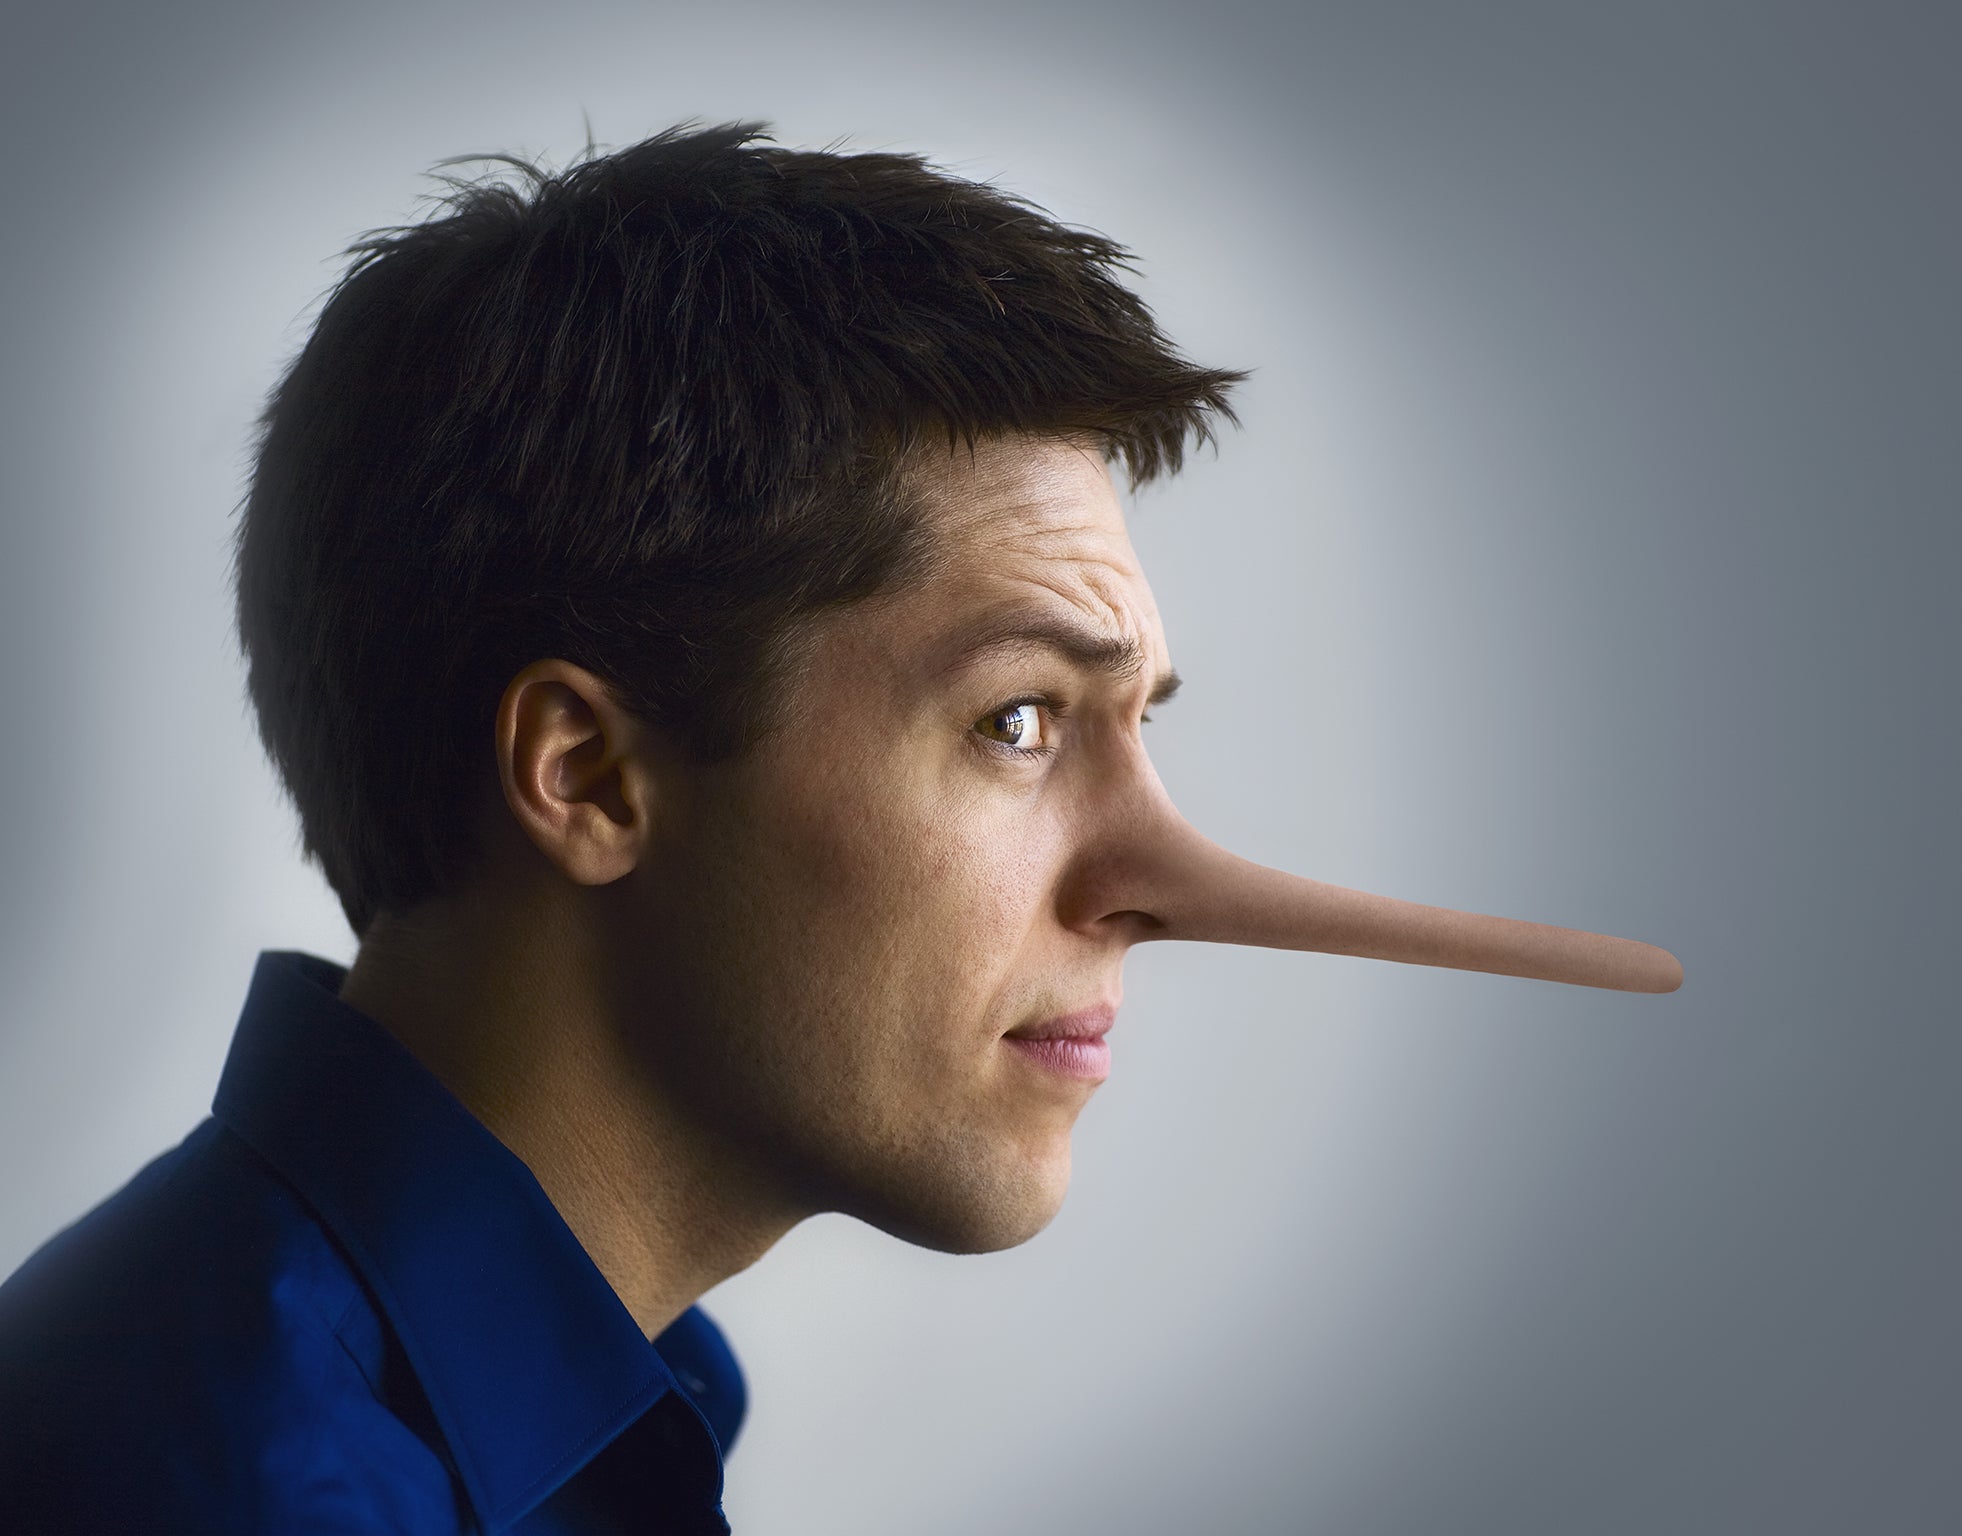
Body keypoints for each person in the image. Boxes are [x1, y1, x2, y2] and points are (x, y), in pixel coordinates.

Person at [0, 122, 1678, 1535]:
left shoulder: (593, 1405)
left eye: (1137, 724)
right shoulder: (227, 1484)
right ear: (585, 775)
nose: (1146, 890)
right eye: (1017, 721)